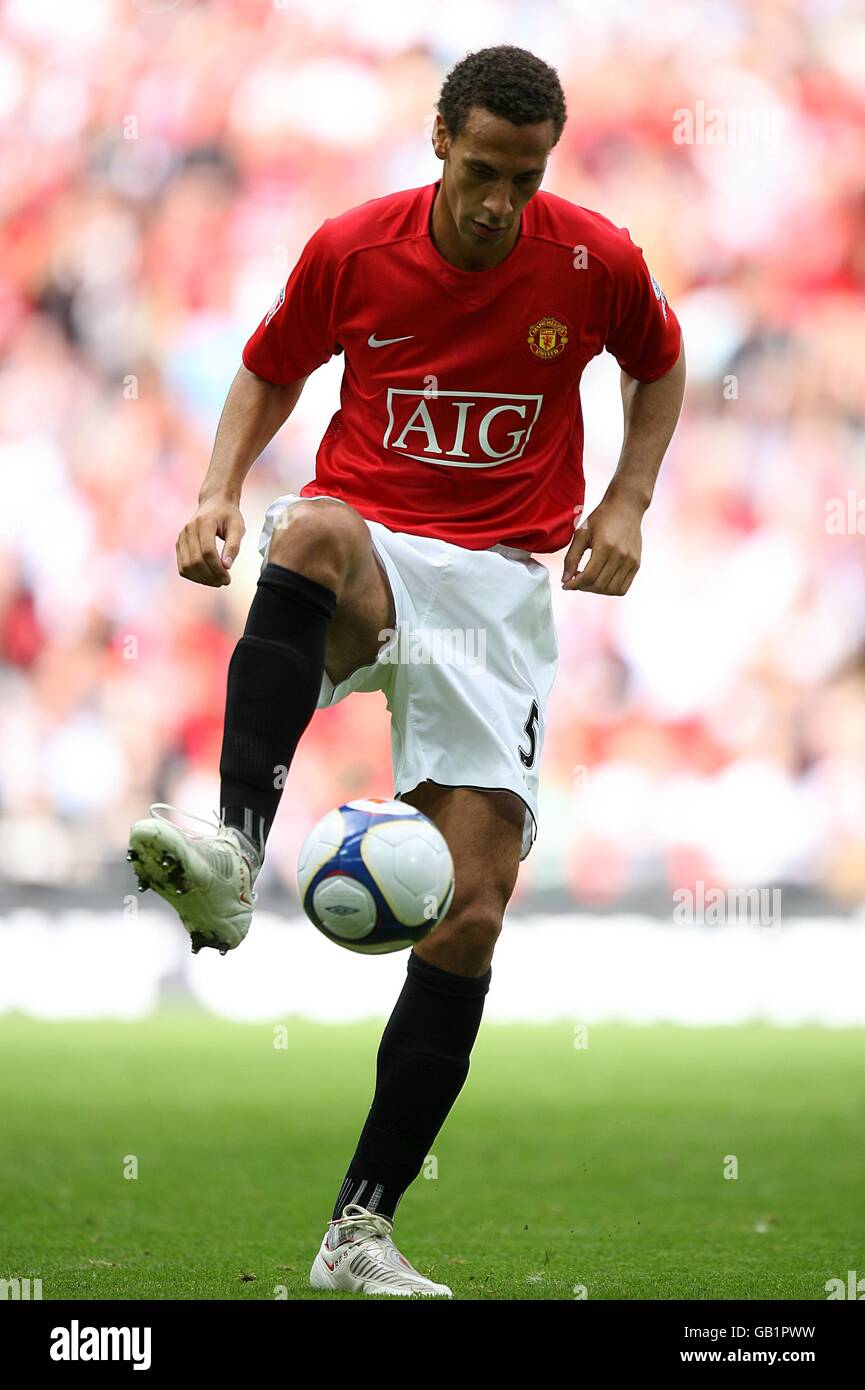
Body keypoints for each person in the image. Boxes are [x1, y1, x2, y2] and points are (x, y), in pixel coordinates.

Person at [127, 44, 685, 1297]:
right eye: (482, 170)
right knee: (311, 526)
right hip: (376, 545)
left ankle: (357, 1231)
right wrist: (219, 489)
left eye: (524, 179)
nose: (499, 201)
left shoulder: (594, 261)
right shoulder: (354, 250)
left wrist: (627, 501)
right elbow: (272, 366)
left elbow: (659, 361)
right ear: (440, 143)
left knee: (473, 915)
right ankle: (230, 849)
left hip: (498, 588)